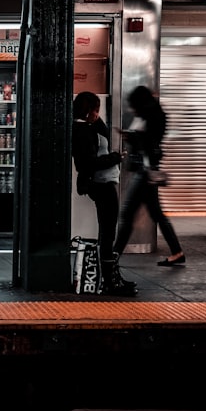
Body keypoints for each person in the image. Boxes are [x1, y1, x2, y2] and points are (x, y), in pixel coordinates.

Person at [71, 91, 135, 296]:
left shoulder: (89, 126)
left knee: (107, 232)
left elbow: (104, 136)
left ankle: (112, 278)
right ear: (88, 110)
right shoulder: (81, 131)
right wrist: (116, 158)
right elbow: (88, 163)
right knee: (107, 234)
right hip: (101, 185)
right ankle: (110, 281)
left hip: (105, 183)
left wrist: (98, 121)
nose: (98, 113)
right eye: (96, 110)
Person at [114, 85, 185, 268]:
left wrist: (132, 137)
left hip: (144, 173)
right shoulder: (154, 114)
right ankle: (177, 252)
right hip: (146, 171)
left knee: (127, 212)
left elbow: (149, 142)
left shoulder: (150, 116)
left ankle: (113, 256)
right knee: (157, 214)